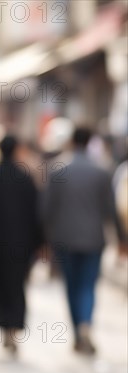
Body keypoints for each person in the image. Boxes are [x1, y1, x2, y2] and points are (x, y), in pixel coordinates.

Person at [43, 127, 126, 355]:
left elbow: (46, 208)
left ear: (71, 141)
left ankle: (78, 329)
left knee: (71, 285)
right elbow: (111, 209)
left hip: (64, 238)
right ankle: (86, 324)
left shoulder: (57, 169)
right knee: (88, 285)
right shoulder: (101, 170)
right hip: (93, 239)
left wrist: (43, 239)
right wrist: (121, 239)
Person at [0, 136, 42, 353]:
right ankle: (13, 328)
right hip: (21, 243)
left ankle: (4, 327)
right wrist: (39, 242)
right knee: (17, 285)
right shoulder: (25, 178)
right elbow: (36, 213)